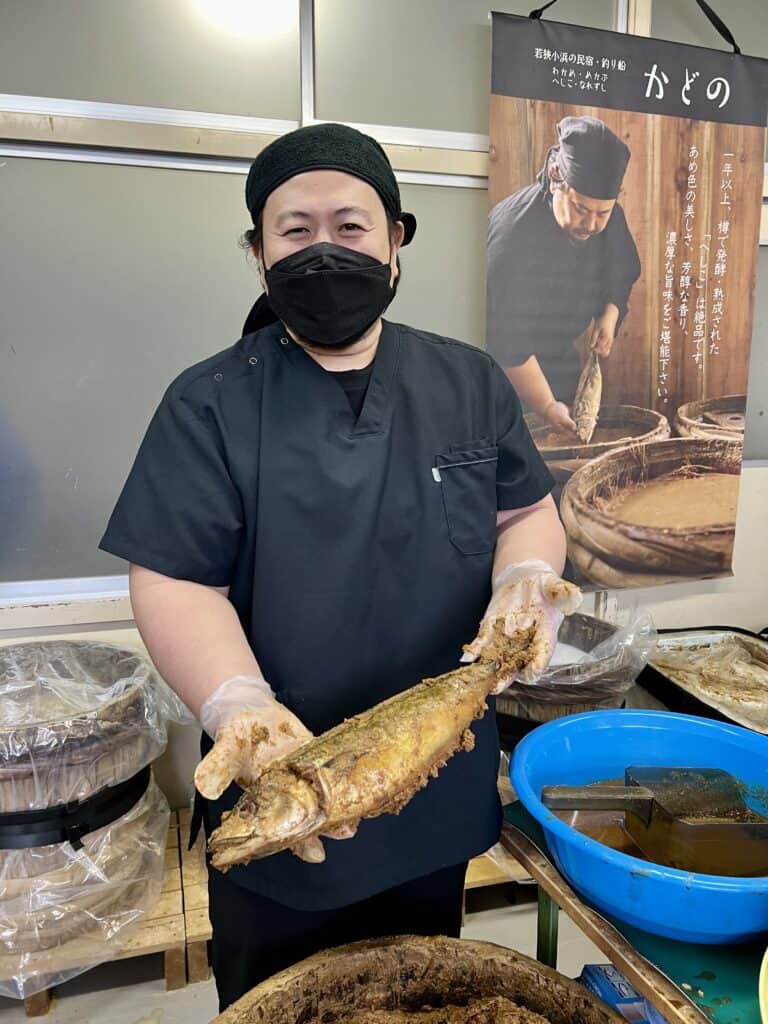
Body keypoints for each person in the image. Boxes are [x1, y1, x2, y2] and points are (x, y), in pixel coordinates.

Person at [99, 123, 576, 1011]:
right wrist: (235, 702)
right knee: (287, 999)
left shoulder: (469, 381)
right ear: (258, 255)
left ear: (397, 240)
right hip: (281, 789)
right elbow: (173, 576)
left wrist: (522, 578)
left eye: (351, 228)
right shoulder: (209, 402)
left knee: (426, 993)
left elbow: (526, 511)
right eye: (294, 231)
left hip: (436, 779)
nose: (325, 250)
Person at [487, 115, 641, 435]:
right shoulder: (512, 237)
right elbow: (505, 339)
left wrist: (610, 314)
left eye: (603, 213)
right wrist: (544, 404)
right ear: (557, 180)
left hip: (560, 357)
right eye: (581, 209)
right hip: (501, 372)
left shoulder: (605, 218)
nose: (592, 224)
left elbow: (622, 268)